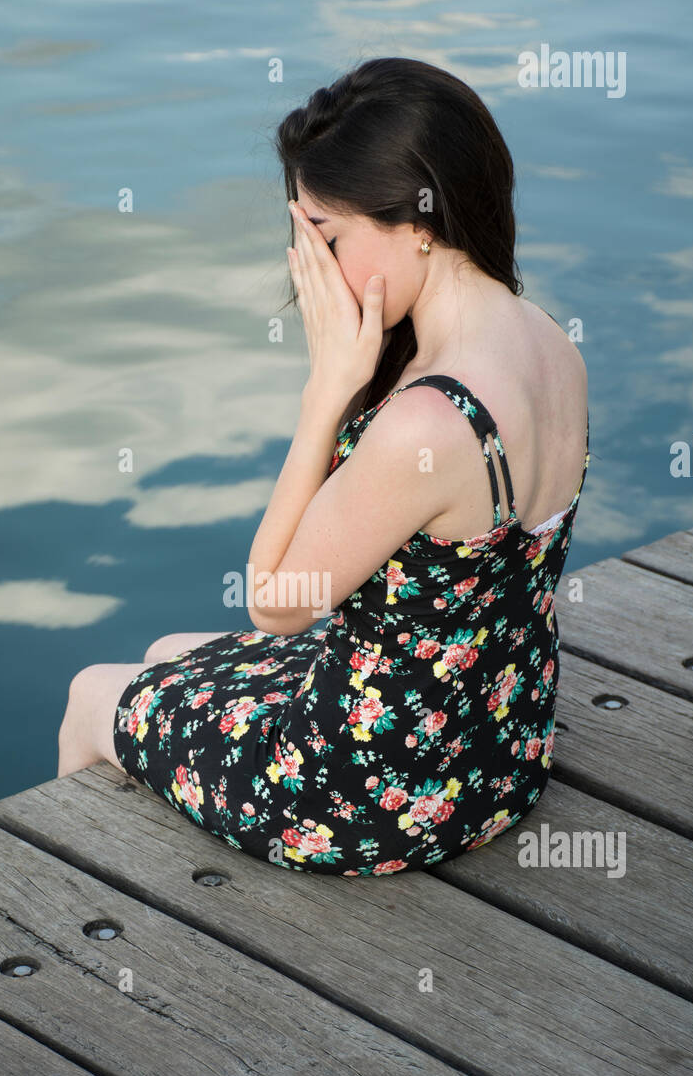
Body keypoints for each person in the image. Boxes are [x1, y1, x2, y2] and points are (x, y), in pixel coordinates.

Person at [58, 56, 590, 876]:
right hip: (496, 751)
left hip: (368, 789)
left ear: (418, 218)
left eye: (324, 234)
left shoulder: (431, 419)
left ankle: (71, 931)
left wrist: (327, 391)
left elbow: (276, 603)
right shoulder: (549, 341)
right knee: (167, 649)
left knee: (95, 690)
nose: (306, 262)